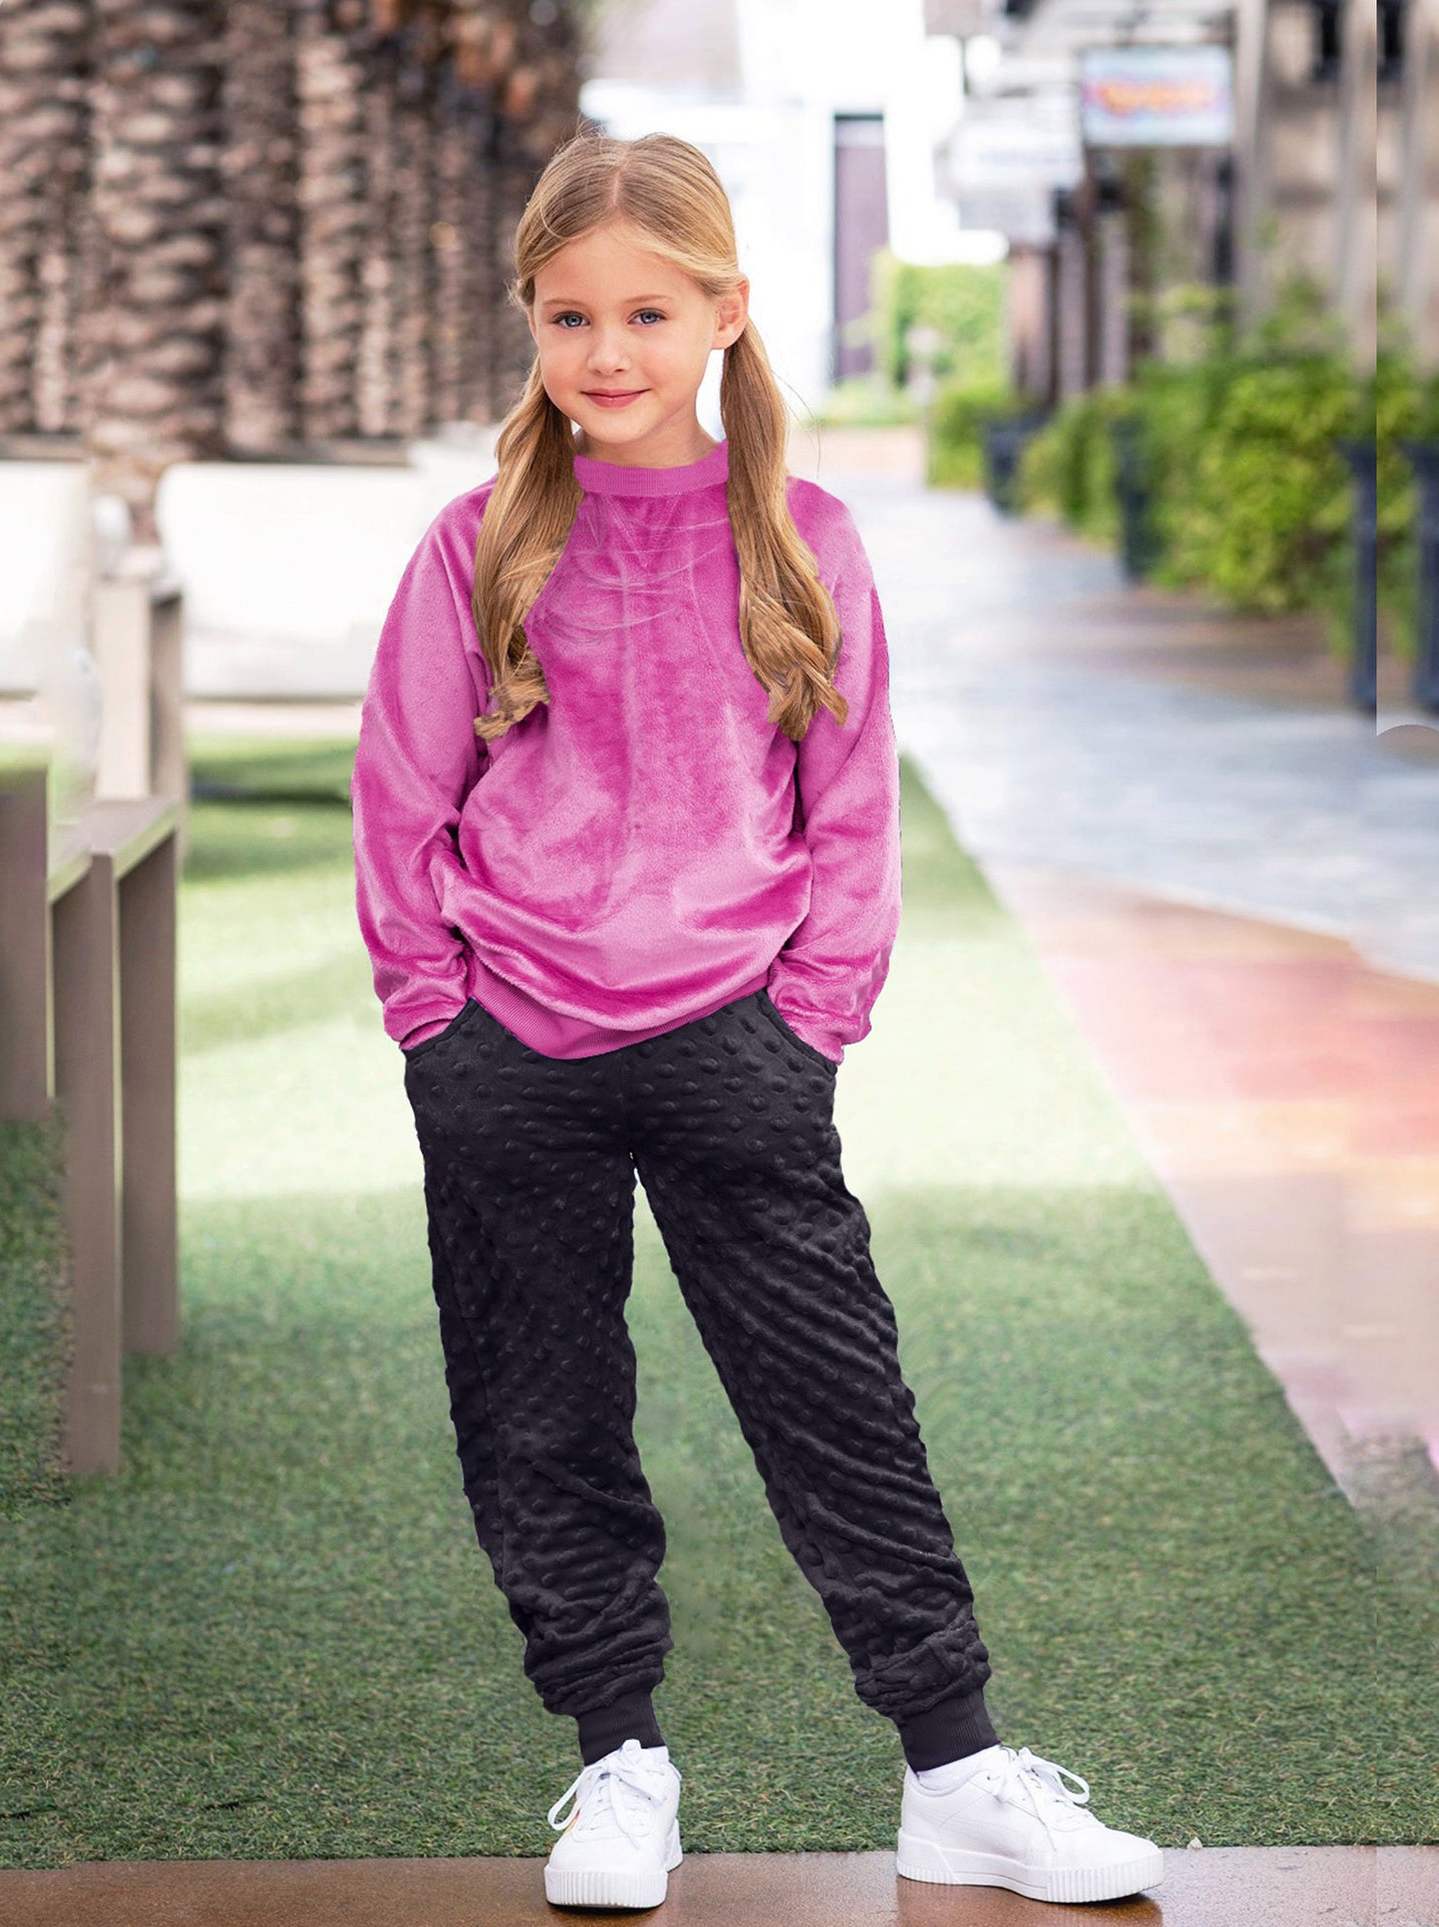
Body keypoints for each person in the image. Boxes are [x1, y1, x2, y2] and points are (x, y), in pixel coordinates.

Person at [349, 128, 1164, 1913]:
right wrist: (434, 1017)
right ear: (532, 322)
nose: (607, 352)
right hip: (508, 1051)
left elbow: (848, 801)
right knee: (540, 1413)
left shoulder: (804, 539)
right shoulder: (474, 544)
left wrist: (811, 1018)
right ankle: (618, 1768)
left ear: (725, 311)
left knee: (837, 1403)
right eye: (570, 317)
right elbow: (402, 792)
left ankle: (955, 1773)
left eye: (648, 313)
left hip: (737, 1042)